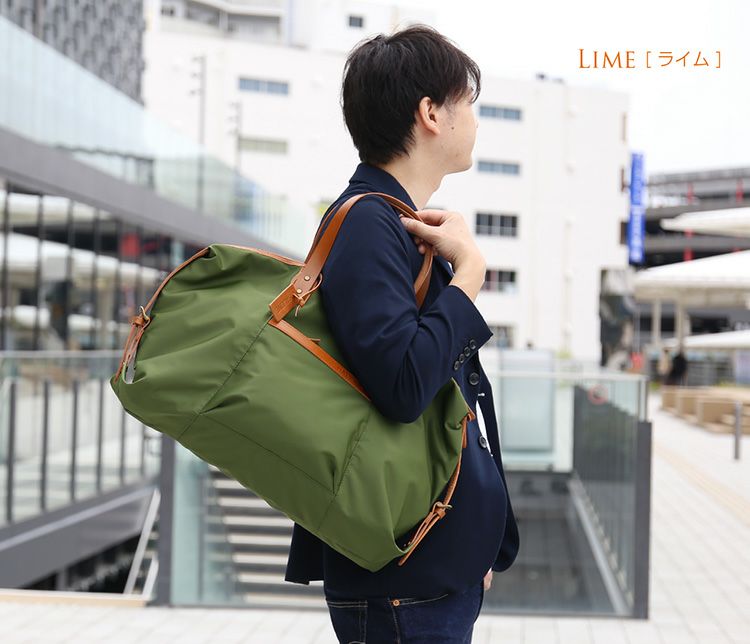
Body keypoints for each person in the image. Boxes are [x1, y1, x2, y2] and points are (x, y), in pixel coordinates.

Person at [283, 24, 519, 643]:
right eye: (468, 103)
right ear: (431, 113)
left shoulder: (393, 223)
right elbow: (405, 384)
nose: (474, 120)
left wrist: (469, 542)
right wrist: (469, 276)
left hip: (423, 563)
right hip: (401, 578)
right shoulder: (369, 225)